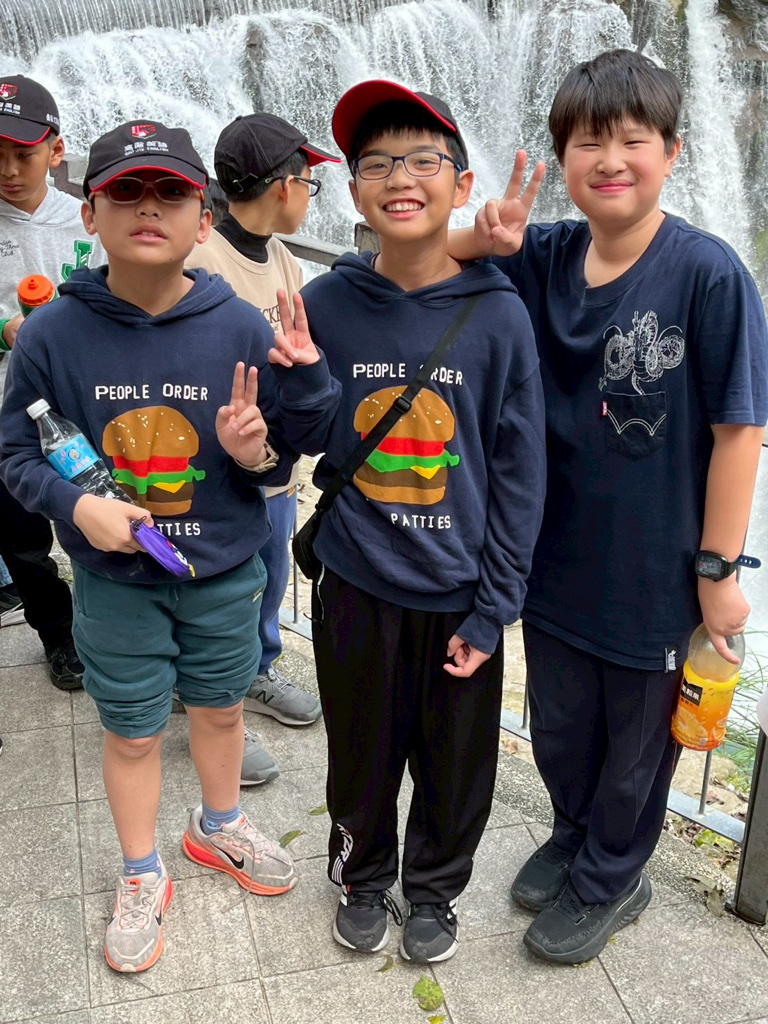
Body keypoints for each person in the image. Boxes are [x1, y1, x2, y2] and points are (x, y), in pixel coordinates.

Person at [448, 48, 768, 964]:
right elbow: (434, 260)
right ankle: (572, 833)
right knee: (561, 726)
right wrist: (479, 237)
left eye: (634, 140)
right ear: (563, 158)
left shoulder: (708, 274)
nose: (611, 160)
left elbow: (740, 431)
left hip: (654, 573)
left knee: (635, 747)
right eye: (590, 142)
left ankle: (612, 877)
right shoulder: (544, 254)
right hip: (550, 557)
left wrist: (717, 572)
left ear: (671, 152)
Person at [0, 119, 340, 973]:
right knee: (132, 731)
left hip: (224, 569)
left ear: (203, 218)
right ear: (90, 213)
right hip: (115, 582)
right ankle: (141, 870)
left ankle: (218, 827)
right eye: (125, 191)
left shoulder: (239, 325)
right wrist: (78, 507)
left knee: (220, 709)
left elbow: (293, 447)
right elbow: (15, 456)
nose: (147, 207)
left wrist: (283, 411)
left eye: (170, 193)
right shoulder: (51, 335)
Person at [268, 80, 546, 964]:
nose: (399, 177)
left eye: (423, 160)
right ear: (353, 190)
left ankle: (435, 892)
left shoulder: (500, 315)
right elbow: (304, 438)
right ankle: (360, 873)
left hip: (459, 591)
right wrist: (301, 380)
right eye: (377, 162)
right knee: (360, 750)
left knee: (457, 764)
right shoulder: (329, 304)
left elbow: (519, 475)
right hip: (357, 579)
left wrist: (494, 607)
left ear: (460, 184)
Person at [187, 112, 341, 741]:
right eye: (309, 182)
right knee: (221, 589)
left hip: (275, 466)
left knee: (269, 577)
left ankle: (256, 671)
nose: (309, 195)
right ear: (284, 186)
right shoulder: (202, 258)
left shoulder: (282, 258)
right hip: (220, 469)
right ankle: (212, 702)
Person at [0, 75, 106, 688]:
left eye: (24, 153)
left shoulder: (87, 221)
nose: (9, 170)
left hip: (83, 405)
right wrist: (4, 330)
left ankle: (116, 622)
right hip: (9, 413)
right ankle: (58, 635)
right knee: (23, 539)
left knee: (99, 511)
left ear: (56, 150)